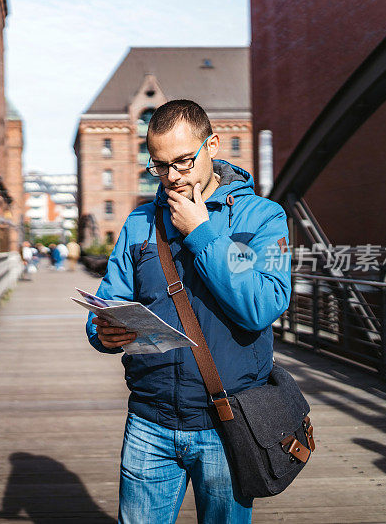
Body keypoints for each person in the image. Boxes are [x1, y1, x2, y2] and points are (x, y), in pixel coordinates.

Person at [85, 99, 292, 523]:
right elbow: (110, 300)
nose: (172, 177)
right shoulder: (139, 223)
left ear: (212, 145)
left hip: (228, 419)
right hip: (149, 418)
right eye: (159, 166)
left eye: (183, 161)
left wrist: (202, 233)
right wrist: (102, 331)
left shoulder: (262, 217)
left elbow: (262, 306)